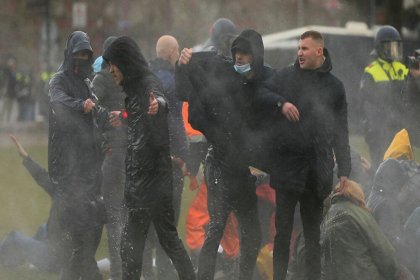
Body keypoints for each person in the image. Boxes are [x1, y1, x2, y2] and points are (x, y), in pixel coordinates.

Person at [177, 28, 273, 280]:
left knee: (252, 233)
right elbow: (190, 85)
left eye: (245, 53)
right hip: (219, 164)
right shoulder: (224, 73)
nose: (239, 58)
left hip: (241, 169)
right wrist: (183, 62)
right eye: (237, 53)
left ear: (256, 56)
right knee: (216, 227)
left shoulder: (264, 81)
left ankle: (242, 275)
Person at [258, 30, 351, 280]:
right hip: (287, 169)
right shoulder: (285, 77)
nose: (299, 53)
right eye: (298, 48)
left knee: (314, 237)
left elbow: (341, 131)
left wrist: (344, 170)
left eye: (305, 49)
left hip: (317, 172)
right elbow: (260, 93)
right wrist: (281, 103)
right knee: (282, 234)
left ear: (319, 52)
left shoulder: (335, 87)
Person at [102, 36, 196, 280]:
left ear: (124, 62)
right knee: (132, 247)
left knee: (165, 242)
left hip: (154, 183)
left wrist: (160, 105)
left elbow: (158, 100)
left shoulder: (146, 83)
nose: (110, 69)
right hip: (139, 184)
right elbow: (139, 120)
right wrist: (122, 117)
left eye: (113, 63)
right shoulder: (132, 88)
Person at [48, 30, 106, 280]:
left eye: (86, 55)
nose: (82, 59)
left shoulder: (87, 83)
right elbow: (58, 102)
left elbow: (98, 110)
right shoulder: (58, 81)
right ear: (70, 55)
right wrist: (80, 106)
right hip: (67, 167)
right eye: (78, 55)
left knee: (89, 229)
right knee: (77, 230)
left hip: (89, 164)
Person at [321, 180, 410, 280]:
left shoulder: (326, 219)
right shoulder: (358, 214)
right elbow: (381, 249)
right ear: (357, 194)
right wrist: (396, 273)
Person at [92, 35, 127, 280]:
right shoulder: (129, 78)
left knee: (113, 217)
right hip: (132, 152)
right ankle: (132, 270)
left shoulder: (102, 79)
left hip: (113, 153)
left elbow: (91, 108)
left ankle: (117, 272)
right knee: (128, 215)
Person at [360, 25, 409, 169]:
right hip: (379, 130)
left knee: (402, 168)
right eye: (389, 47)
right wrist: (370, 129)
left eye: (395, 47)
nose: (392, 51)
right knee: (381, 168)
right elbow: (365, 104)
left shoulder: (402, 68)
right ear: (379, 48)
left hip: (400, 129)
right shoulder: (371, 71)